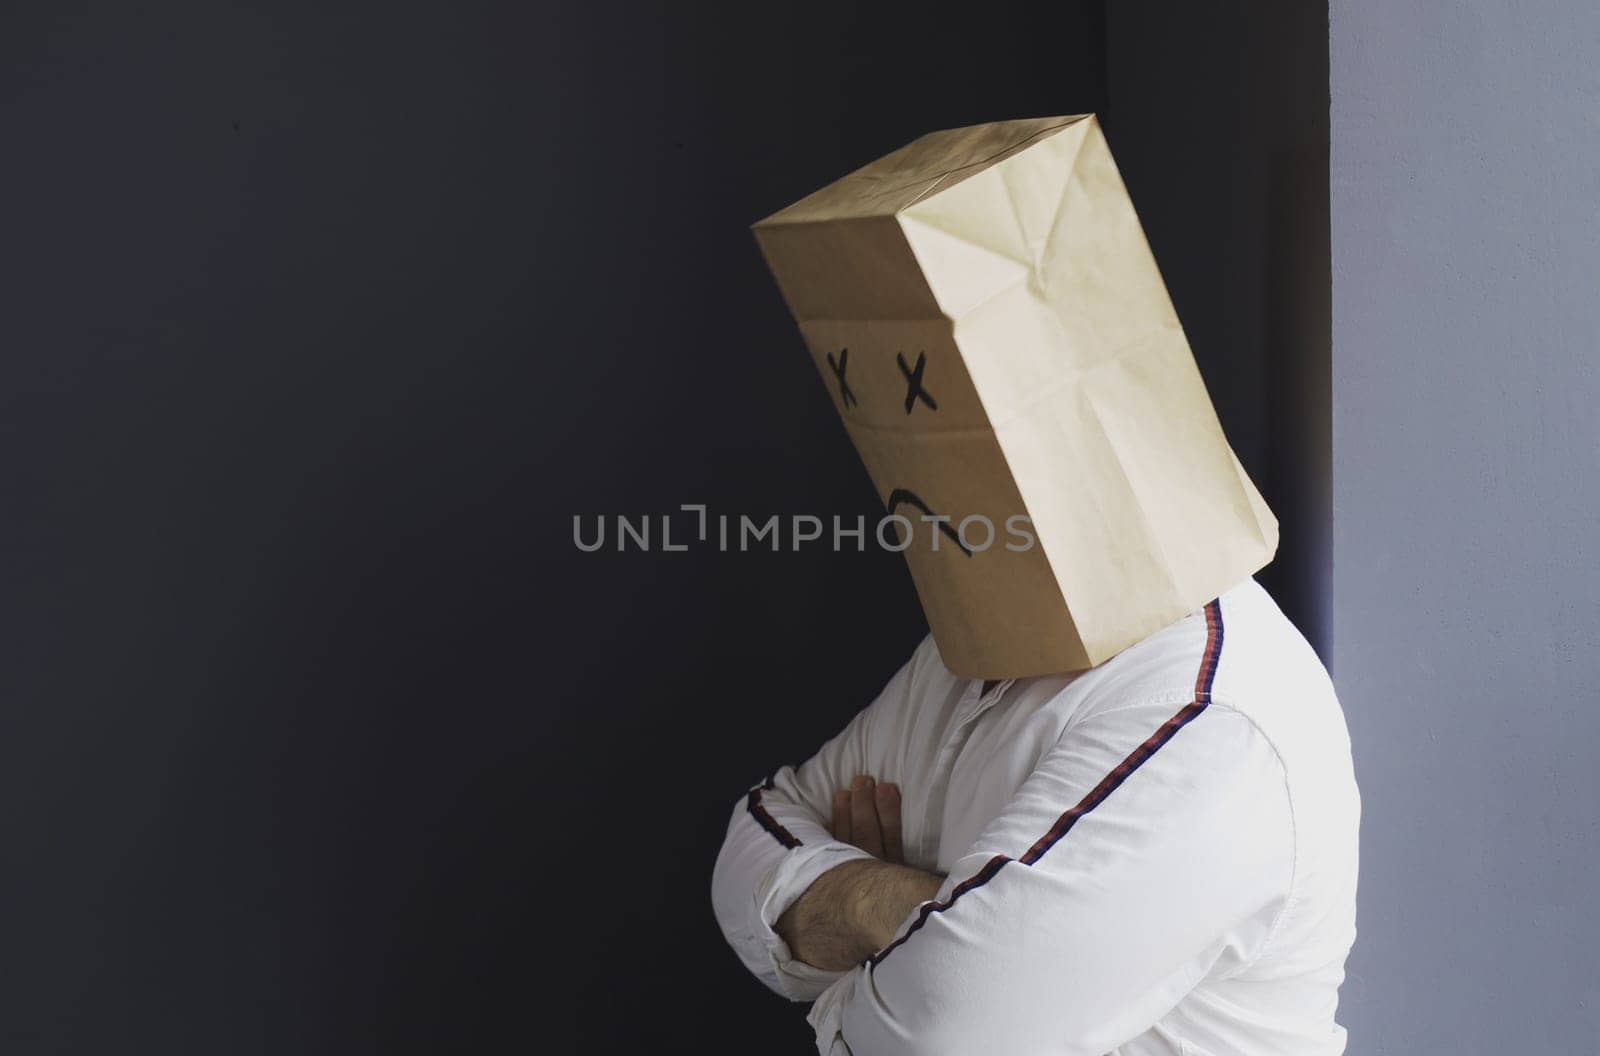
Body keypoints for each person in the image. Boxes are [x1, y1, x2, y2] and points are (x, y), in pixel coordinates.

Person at [711, 575, 1359, 1055]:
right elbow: (750, 848)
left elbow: (938, 1034)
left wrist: (862, 941)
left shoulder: (1211, 715)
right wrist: (888, 905)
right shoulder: (963, 651)